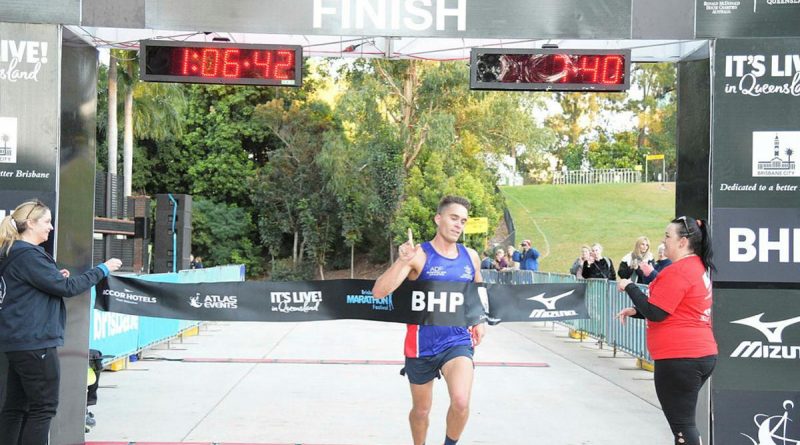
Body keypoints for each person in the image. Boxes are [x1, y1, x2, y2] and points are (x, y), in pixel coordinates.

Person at [0, 199, 122, 445]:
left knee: (16, 407)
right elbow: (67, 288)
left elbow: (35, 286)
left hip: (17, 342)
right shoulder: (29, 255)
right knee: (43, 408)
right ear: (31, 224)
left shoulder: (12, 253)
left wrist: (54, 277)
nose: (51, 227)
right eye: (46, 221)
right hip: (35, 343)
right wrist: (103, 269)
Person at [372, 195, 486, 445]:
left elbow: (478, 290)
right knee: (421, 411)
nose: (459, 225)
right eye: (454, 218)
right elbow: (379, 292)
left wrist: (480, 320)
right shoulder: (418, 255)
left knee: (461, 401)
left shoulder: (471, 257)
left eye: (463, 221)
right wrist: (402, 261)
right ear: (438, 219)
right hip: (421, 345)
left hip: (456, 342)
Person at [616, 216, 716, 445]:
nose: (663, 241)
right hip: (696, 354)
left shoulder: (680, 271)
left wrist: (629, 286)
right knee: (684, 424)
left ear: (683, 242)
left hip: (681, 357)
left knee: (683, 427)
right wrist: (636, 310)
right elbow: (672, 308)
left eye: (668, 236)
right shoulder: (695, 267)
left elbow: (657, 312)